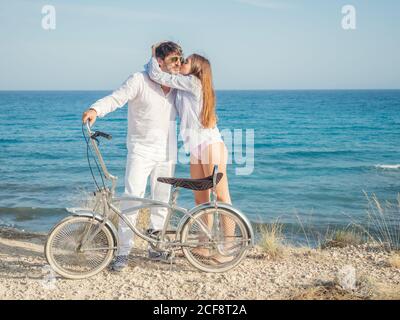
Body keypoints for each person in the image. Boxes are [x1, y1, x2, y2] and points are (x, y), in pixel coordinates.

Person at [82, 41, 183, 272]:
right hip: (141, 150)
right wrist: (95, 109)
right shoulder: (139, 79)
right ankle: (123, 253)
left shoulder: (177, 85)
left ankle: (156, 247)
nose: (178, 64)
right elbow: (116, 98)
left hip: (168, 152)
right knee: (132, 200)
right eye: (173, 60)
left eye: (180, 59)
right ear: (159, 62)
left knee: (161, 202)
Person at [146, 44, 233, 262]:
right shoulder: (183, 87)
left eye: (185, 61)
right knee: (201, 199)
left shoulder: (193, 83)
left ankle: (228, 248)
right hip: (196, 149)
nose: (181, 63)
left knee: (221, 197)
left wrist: (154, 56)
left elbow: (158, 74)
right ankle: (204, 246)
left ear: (196, 68)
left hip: (211, 145)